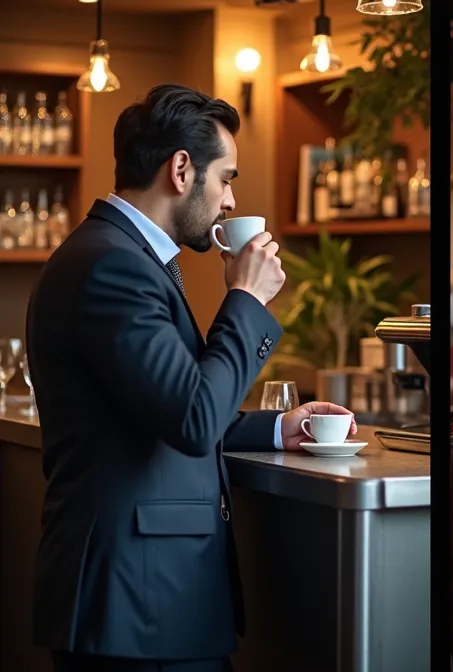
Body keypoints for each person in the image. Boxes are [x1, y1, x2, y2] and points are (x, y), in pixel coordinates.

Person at [25, 84, 357, 672]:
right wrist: (247, 298)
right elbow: (192, 420)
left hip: (141, 607)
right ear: (182, 169)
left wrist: (280, 430)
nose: (231, 200)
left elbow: (167, 404)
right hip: (137, 606)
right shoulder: (113, 266)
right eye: (226, 178)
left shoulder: (119, 255)